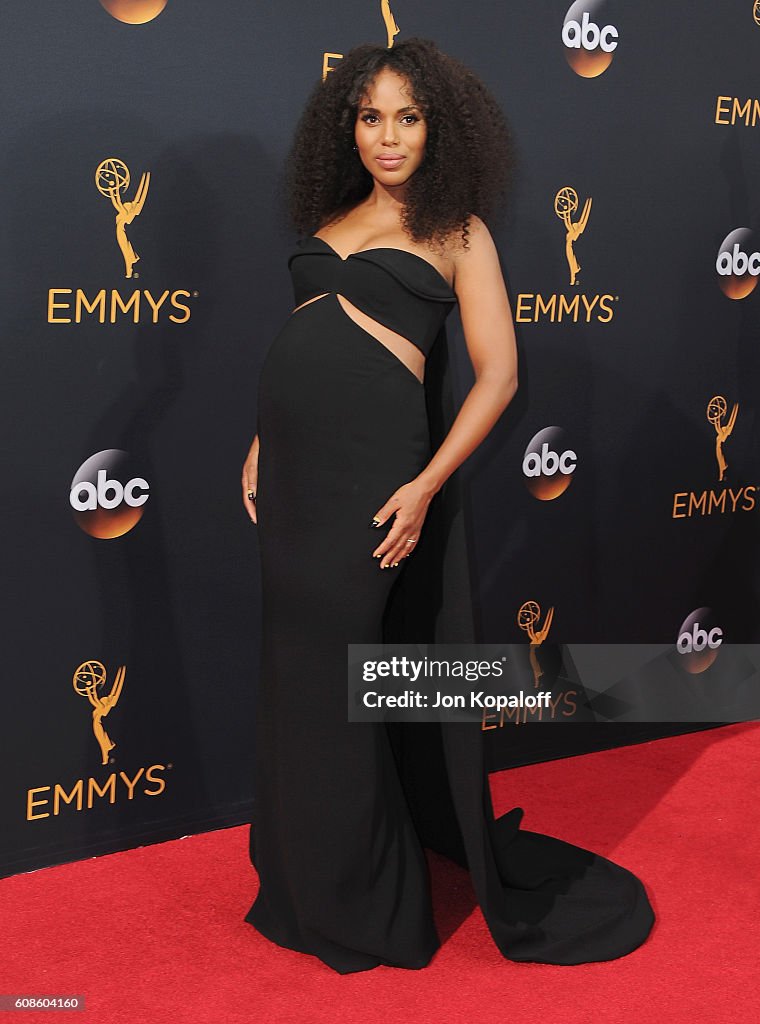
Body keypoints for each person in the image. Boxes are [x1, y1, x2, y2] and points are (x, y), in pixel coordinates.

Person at [241, 37, 655, 974]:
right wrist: (266, 436)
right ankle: (297, 886)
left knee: (350, 679)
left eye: (409, 117)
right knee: (297, 677)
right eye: (370, 116)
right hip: (296, 475)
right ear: (347, 125)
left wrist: (426, 486)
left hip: (380, 482)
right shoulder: (333, 214)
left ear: (441, 127)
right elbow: (309, 341)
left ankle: (364, 910)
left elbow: (499, 374)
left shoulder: (459, 231)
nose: (388, 136)